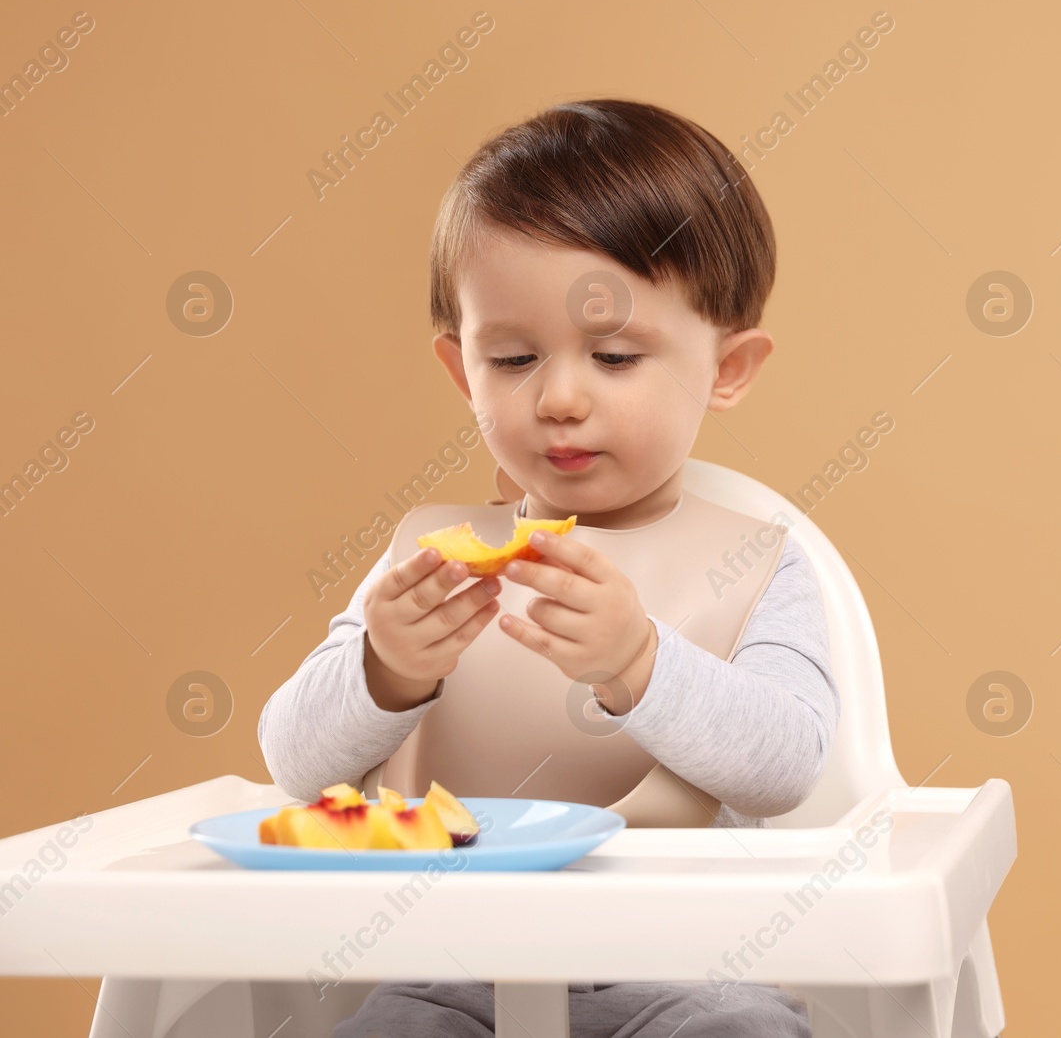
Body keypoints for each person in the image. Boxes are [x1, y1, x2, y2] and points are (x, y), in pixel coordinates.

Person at [256, 98, 836, 1037]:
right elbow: (291, 758)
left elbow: (786, 764)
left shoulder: (756, 564)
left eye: (614, 355)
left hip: (691, 969)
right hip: (450, 971)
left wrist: (638, 662)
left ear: (728, 368)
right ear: (462, 372)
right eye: (515, 357)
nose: (560, 397)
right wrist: (386, 669)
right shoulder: (424, 559)